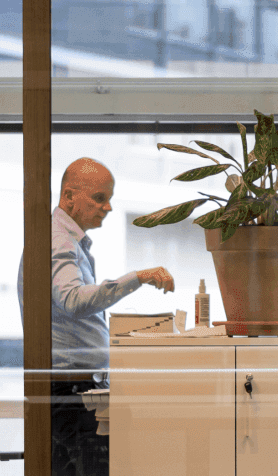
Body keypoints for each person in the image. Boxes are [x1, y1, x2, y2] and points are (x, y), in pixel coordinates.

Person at [18, 157, 176, 476]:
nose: (108, 208)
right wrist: (139, 277)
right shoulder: (57, 241)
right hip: (70, 391)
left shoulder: (61, 240)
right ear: (69, 196)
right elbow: (75, 300)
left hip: (74, 389)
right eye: (100, 198)